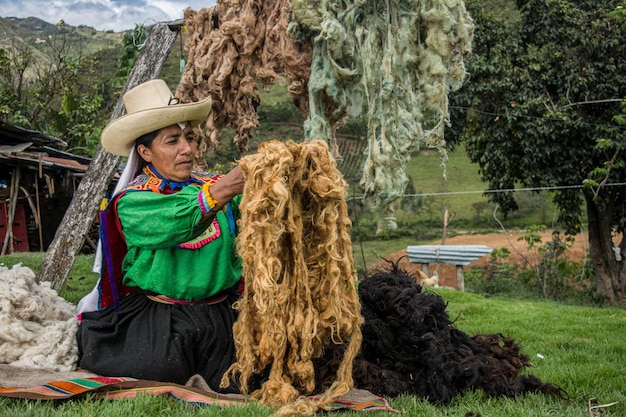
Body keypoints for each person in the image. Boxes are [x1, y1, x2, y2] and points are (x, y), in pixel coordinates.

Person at [76, 79, 245, 392]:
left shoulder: (215, 188)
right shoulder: (133, 202)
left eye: (189, 138)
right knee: (156, 368)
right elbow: (175, 220)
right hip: (164, 315)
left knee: (257, 369)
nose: (187, 150)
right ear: (145, 152)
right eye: (172, 141)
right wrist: (224, 189)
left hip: (223, 312)